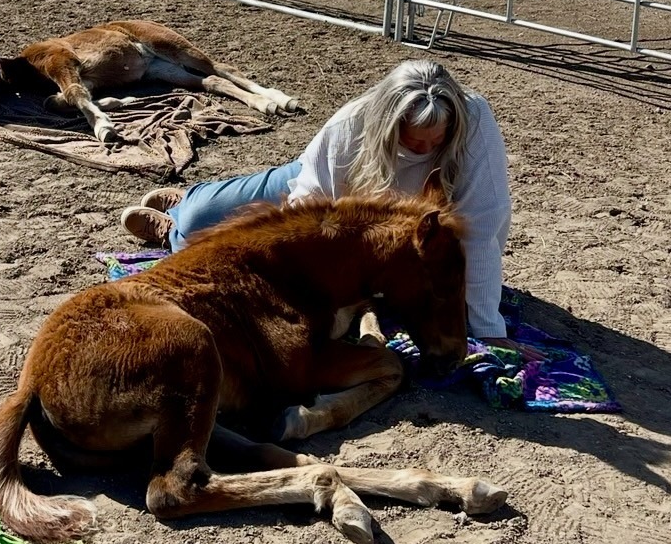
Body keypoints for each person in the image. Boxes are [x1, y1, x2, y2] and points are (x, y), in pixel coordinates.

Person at [120, 58, 522, 349]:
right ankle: (180, 208)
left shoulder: (474, 122)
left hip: (387, 233)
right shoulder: (349, 126)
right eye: (414, 142)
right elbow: (307, 212)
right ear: (387, 125)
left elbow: (484, 222)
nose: (426, 149)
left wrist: (486, 325)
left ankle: (176, 221)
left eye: (437, 142)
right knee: (195, 223)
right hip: (323, 190)